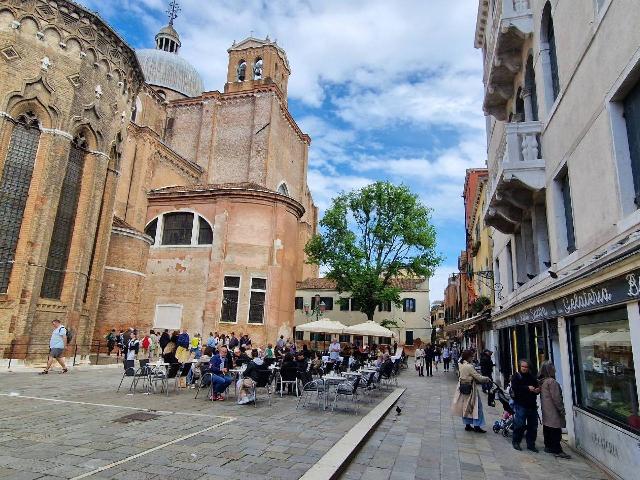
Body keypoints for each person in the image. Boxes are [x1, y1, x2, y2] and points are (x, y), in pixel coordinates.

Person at [451, 349, 492, 433]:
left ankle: (467, 424)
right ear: (468, 357)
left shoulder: (460, 364)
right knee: (477, 406)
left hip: (462, 387)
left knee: (465, 406)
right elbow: (478, 377)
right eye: (472, 356)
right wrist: (487, 378)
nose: (473, 358)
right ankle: (477, 425)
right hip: (470, 388)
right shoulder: (469, 366)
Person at [538, 361, 571, 459]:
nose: (555, 370)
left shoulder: (543, 381)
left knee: (547, 428)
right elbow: (556, 398)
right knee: (555, 430)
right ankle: (557, 450)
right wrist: (561, 409)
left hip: (546, 410)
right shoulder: (551, 382)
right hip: (552, 410)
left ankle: (548, 447)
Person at [510, 359, 541, 452]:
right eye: (523, 366)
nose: (524, 368)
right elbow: (515, 388)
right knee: (520, 424)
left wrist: (537, 390)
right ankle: (516, 442)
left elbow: (536, 388)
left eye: (526, 367)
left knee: (533, 426)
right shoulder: (516, 376)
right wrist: (527, 388)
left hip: (532, 405)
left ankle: (531, 444)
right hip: (521, 404)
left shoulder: (532, 377)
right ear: (520, 367)